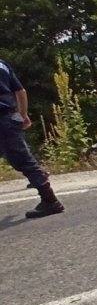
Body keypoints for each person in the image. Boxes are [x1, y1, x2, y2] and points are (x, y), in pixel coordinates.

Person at [0, 58, 64, 218]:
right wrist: (22, 115)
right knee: (21, 159)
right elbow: (21, 91)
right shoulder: (2, 64)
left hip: (2, 121)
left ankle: (50, 200)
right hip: (9, 117)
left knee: (23, 160)